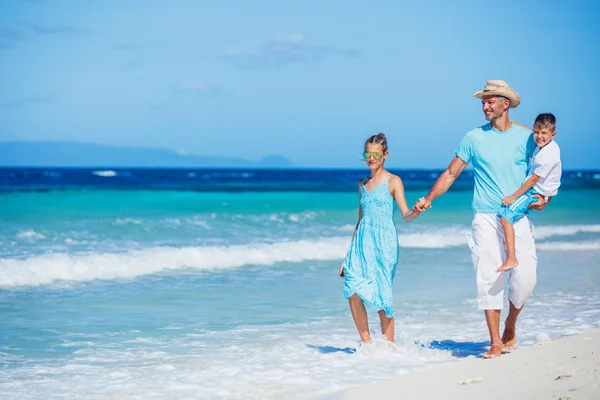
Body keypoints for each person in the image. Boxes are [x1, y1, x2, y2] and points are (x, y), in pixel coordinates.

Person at [413, 80, 550, 359]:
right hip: (485, 215)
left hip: (517, 214)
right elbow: (451, 173)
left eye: (490, 101)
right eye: (483, 102)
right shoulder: (473, 138)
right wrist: (429, 198)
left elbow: (546, 169)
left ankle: (510, 326)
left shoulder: (528, 137)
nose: (485, 106)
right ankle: (495, 342)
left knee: (526, 280)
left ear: (505, 104)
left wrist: (545, 198)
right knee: (488, 277)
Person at [339, 133, 421, 348]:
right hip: (361, 243)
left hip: (384, 243)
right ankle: (367, 345)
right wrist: (348, 256)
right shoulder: (362, 184)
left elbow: (405, 214)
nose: (371, 158)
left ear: (385, 155)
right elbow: (360, 220)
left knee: (382, 295)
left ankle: (388, 348)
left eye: (376, 154)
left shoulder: (394, 181)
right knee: (352, 289)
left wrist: (416, 211)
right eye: (368, 153)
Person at [497, 113, 562, 272]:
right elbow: (530, 130)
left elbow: (533, 180)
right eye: (536, 132)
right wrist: (511, 122)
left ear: (553, 134)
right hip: (541, 190)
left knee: (505, 215)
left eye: (543, 133)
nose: (539, 136)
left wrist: (513, 196)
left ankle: (511, 258)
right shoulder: (549, 145)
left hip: (534, 191)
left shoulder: (547, 156)